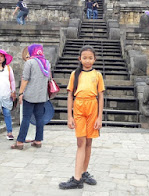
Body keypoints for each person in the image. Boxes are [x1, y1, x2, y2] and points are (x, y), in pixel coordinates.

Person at [59, 45, 105, 190]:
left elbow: (101, 96)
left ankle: (83, 172)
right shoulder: (75, 74)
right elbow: (69, 95)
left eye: (90, 58)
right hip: (79, 107)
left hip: (93, 108)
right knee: (81, 143)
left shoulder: (97, 75)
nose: (87, 60)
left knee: (89, 143)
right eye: (84, 58)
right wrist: (69, 116)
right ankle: (77, 178)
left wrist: (99, 118)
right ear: (80, 59)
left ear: (94, 59)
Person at [11, 44, 51, 150]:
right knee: (39, 118)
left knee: (26, 118)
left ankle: (20, 142)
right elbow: (48, 78)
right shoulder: (47, 63)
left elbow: (25, 79)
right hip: (42, 95)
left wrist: (20, 93)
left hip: (29, 95)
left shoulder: (30, 62)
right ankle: (38, 141)